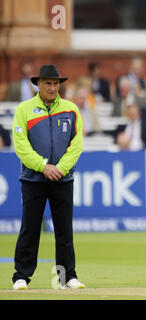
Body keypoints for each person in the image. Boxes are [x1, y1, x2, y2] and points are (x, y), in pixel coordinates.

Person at [11, 64, 85, 290]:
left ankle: (67, 277)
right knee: (30, 228)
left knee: (64, 231)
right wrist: (44, 166)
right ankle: (21, 276)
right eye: (48, 84)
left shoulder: (71, 109)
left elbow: (77, 144)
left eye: (56, 84)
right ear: (38, 84)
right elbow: (21, 146)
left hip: (62, 179)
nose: (53, 88)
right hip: (34, 179)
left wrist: (60, 168)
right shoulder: (24, 109)